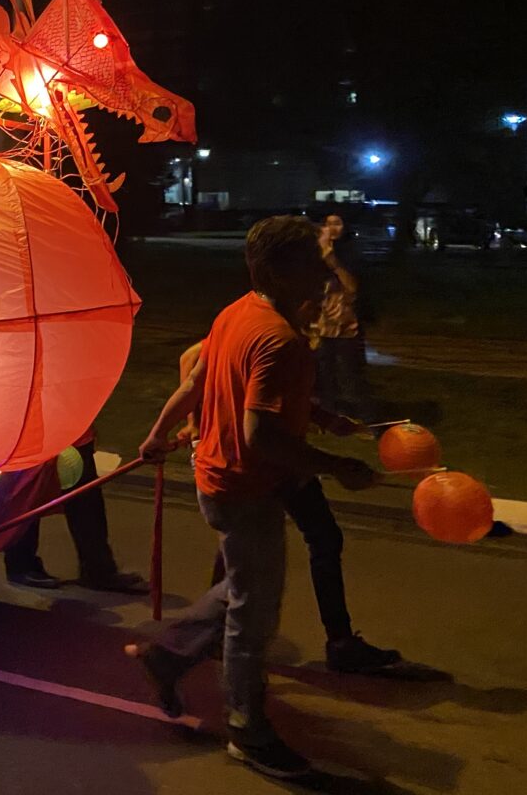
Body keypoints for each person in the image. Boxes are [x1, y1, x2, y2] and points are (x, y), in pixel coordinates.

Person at [131, 216, 377, 779]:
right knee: (253, 615)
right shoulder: (281, 340)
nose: (323, 274)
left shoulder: (238, 312)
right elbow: (260, 434)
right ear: (279, 271)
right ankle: (247, 729)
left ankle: (167, 656)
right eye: (312, 263)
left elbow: (197, 384)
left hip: (220, 479)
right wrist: (337, 467)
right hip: (246, 487)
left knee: (245, 586)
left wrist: (322, 417)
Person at [179, 341, 400, 674]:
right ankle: (187, 648)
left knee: (269, 549)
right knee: (255, 560)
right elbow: (194, 362)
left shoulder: (283, 332)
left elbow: (274, 395)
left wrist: (326, 419)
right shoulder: (258, 329)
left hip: (280, 456)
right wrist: (197, 431)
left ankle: (336, 642)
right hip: (262, 461)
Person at [2, 426, 151, 593]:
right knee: (27, 494)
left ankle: (97, 569)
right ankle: (21, 564)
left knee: (86, 500)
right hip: (33, 435)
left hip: (72, 432)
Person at [313, 213, 368, 420]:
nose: (332, 229)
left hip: (346, 323)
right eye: (327, 224)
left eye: (337, 223)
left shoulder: (350, 252)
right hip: (322, 322)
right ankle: (328, 413)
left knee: (350, 372)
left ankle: (365, 417)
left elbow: (353, 287)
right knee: (324, 372)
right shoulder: (316, 254)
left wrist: (332, 261)